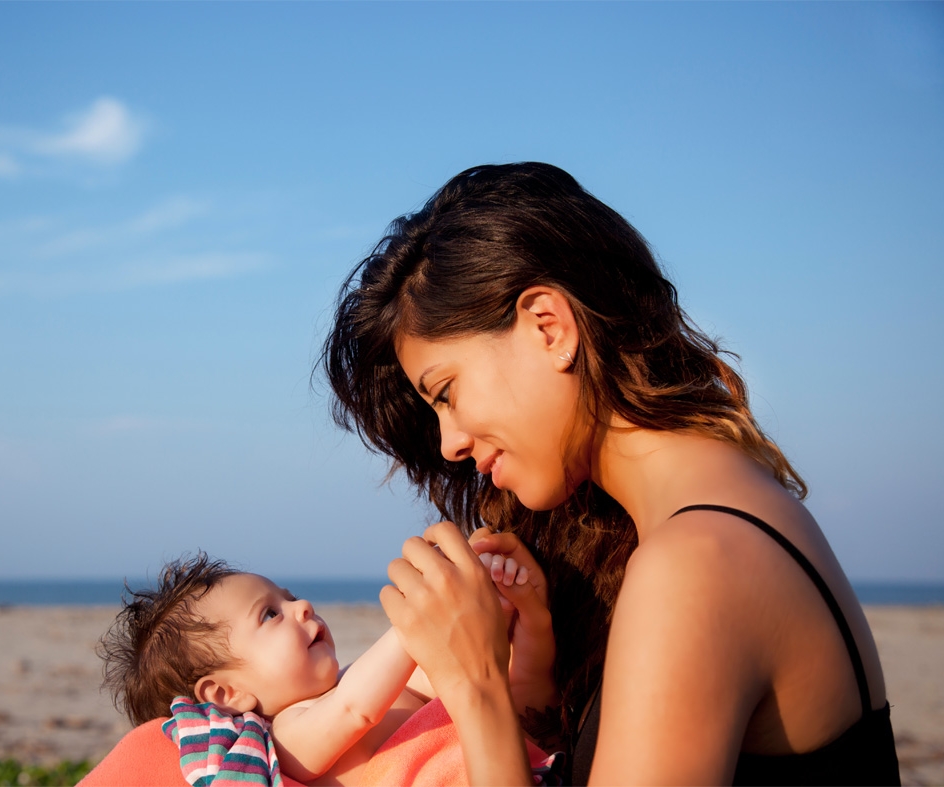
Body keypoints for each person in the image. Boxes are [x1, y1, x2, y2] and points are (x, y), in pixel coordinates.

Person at [323, 162, 900, 785]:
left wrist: (477, 685)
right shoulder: (720, 517)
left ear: (550, 327)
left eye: (446, 392)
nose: (451, 443)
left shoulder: (696, 564)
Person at [96, 552, 553, 786]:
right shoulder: (284, 737)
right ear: (226, 694)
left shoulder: (371, 682)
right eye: (270, 614)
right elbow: (356, 708)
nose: (301, 607)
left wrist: (504, 605)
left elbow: (486, 676)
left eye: (290, 597)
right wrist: (422, 615)